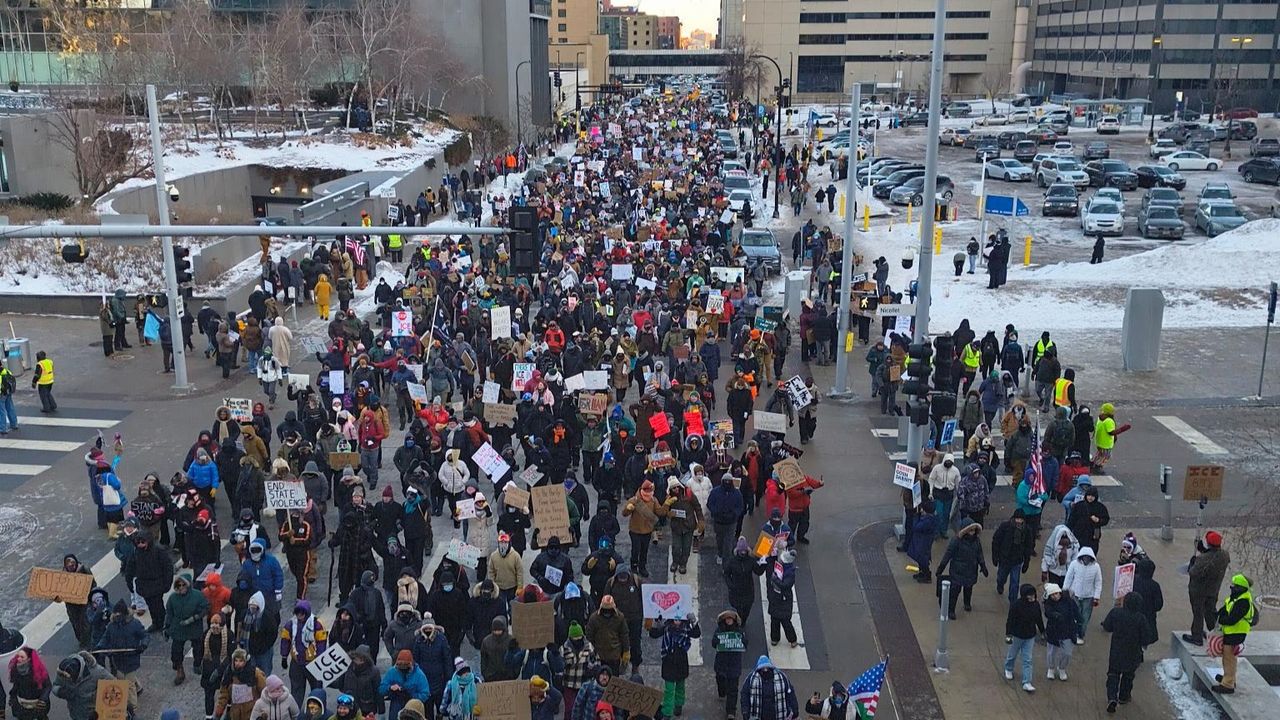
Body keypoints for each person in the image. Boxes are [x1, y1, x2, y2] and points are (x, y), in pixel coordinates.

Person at [1100, 591, 1157, 711]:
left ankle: (1112, 697)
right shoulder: (1141, 618)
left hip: (1116, 650)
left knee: (1113, 674)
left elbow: (1107, 626)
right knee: (1128, 676)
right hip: (1133, 652)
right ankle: (1124, 696)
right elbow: (1146, 637)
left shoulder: (1116, 613)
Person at [1183, 530, 1231, 646]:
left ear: (1208, 543)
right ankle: (1215, 633)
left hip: (1199, 591)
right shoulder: (1225, 555)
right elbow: (1213, 557)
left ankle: (1197, 636)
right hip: (1213, 590)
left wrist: (1193, 563)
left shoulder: (1202, 559)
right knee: (1210, 611)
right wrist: (1204, 551)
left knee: (1198, 613)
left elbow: (1193, 572)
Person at [1211, 574, 1256, 695]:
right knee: (1229, 657)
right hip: (1232, 632)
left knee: (1229, 658)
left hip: (1236, 633)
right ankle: (1229, 678)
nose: (1232, 587)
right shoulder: (1237, 597)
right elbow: (1227, 608)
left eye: (1235, 586)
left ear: (1241, 587)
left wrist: (1220, 620)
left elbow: (1232, 619)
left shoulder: (1243, 602)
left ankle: (1228, 684)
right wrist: (1218, 614)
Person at [935, 520, 988, 619]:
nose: (972, 532)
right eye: (970, 530)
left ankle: (967, 603)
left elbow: (979, 554)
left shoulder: (976, 541)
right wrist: (941, 568)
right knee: (955, 591)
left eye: (974, 530)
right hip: (957, 571)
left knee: (968, 588)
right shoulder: (956, 541)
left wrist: (983, 565)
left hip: (971, 570)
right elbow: (948, 554)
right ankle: (951, 610)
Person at [649, 614, 700, 717]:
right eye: (675, 619)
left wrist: (694, 622)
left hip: (681, 662)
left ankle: (678, 705)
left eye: (679, 619)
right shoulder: (666, 627)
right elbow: (653, 634)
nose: (677, 621)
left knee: (680, 685)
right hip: (669, 662)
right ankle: (667, 712)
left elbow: (696, 634)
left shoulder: (686, 628)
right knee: (669, 688)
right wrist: (656, 621)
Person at [165, 570, 209, 686]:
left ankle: (197, 664)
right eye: (178, 585)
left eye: (183, 585)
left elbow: (205, 608)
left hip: (194, 627)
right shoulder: (173, 598)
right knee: (176, 650)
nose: (181, 587)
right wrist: (167, 627)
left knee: (198, 647)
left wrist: (194, 618)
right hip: (178, 627)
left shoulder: (197, 595)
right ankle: (179, 669)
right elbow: (169, 613)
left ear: (188, 585)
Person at [1002, 584, 1043, 693]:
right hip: (1017, 635)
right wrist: (1008, 634)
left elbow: (1039, 618)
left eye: (1033, 594)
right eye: (1030, 595)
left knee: (1027, 659)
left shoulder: (1036, 605)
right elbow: (1010, 620)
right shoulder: (1016, 605)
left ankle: (1027, 682)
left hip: (1030, 636)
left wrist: (1042, 631)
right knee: (1012, 654)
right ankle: (1008, 668)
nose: (1032, 597)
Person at [991, 509, 1035, 605]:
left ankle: (1013, 602)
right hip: (1005, 559)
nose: (1019, 521)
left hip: (1017, 561)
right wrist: (995, 556)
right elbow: (996, 541)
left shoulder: (1027, 530)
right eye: (1017, 519)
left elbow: (1028, 547)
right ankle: (1000, 585)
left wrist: (1026, 562)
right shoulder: (1005, 527)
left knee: (1015, 583)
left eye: (1021, 519)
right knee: (1001, 577)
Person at [54, 652, 112, 720]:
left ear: (75, 675)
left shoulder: (98, 672)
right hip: (74, 715)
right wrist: (59, 691)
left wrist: (99, 699)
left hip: (93, 716)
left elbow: (116, 686)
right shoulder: (64, 670)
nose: (64, 678)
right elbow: (55, 685)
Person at [1062, 547, 1102, 644]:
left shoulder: (1096, 567)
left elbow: (1098, 582)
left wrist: (1096, 597)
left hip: (1088, 597)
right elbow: (1069, 577)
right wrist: (1065, 590)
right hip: (1075, 595)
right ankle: (1074, 634)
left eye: (1088, 557)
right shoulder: (1074, 564)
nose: (1086, 559)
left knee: (1084, 618)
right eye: (1084, 557)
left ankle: (1080, 635)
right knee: (1075, 616)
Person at [739, 655, 798, 720]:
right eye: (763, 668)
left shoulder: (782, 677)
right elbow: (745, 694)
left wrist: (794, 709)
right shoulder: (751, 678)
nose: (765, 670)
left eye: (767, 668)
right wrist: (745, 711)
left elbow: (790, 693)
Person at [1042, 582, 1080, 682]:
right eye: (1052, 595)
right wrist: (1055, 615)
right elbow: (1048, 612)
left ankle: (1062, 668)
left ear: (1059, 592)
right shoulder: (1048, 603)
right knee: (1051, 652)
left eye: (1056, 593)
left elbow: (1076, 611)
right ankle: (1051, 668)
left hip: (1067, 630)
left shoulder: (1068, 601)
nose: (1055, 596)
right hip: (1053, 630)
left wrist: (1079, 621)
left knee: (1067, 653)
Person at [766, 550, 799, 648]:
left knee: (785, 621)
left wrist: (775, 579)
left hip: (783, 599)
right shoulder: (785, 569)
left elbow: (785, 585)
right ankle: (775, 638)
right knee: (774, 620)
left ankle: (792, 639)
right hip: (777, 597)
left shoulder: (790, 574)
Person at [1090, 402, 1129, 473]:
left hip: (1099, 441)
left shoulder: (1100, 418)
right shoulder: (1109, 421)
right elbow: (1111, 432)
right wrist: (1122, 429)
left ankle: (1093, 463)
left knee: (1099, 454)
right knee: (1106, 456)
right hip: (1106, 443)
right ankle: (1098, 466)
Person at [0, 362, 17, 434]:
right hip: (8, 393)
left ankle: (2, 428)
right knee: (10, 408)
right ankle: (14, 424)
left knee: (1, 411)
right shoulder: (7, 371)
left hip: (1, 394)